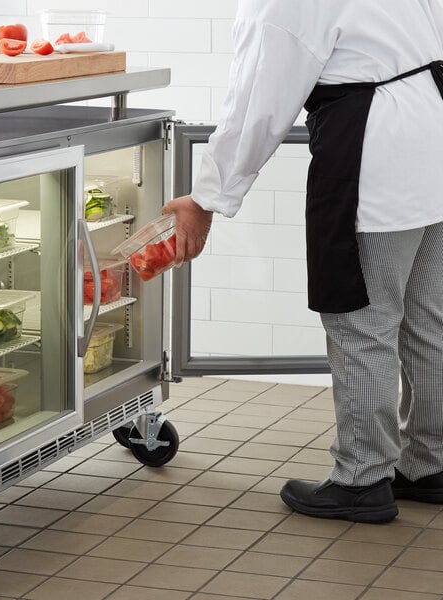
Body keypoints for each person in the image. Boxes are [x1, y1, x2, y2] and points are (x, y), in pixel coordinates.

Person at [162, 0, 443, 523]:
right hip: (435, 130)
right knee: (428, 320)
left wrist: (205, 199)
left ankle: (362, 479)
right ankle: (429, 464)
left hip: (375, 148)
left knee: (361, 322)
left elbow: (258, 105)